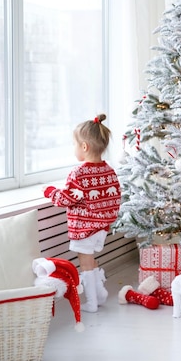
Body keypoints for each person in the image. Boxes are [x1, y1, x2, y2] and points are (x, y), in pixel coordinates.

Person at [43, 114, 121, 313]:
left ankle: (92, 302)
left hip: (84, 229)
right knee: (92, 260)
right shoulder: (109, 170)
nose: (74, 149)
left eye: (74, 144)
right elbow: (114, 198)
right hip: (102, 228)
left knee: (85, 263)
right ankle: (101, 293)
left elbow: (66, 199)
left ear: (84, 147)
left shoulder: (79, 174)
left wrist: (50, 192)